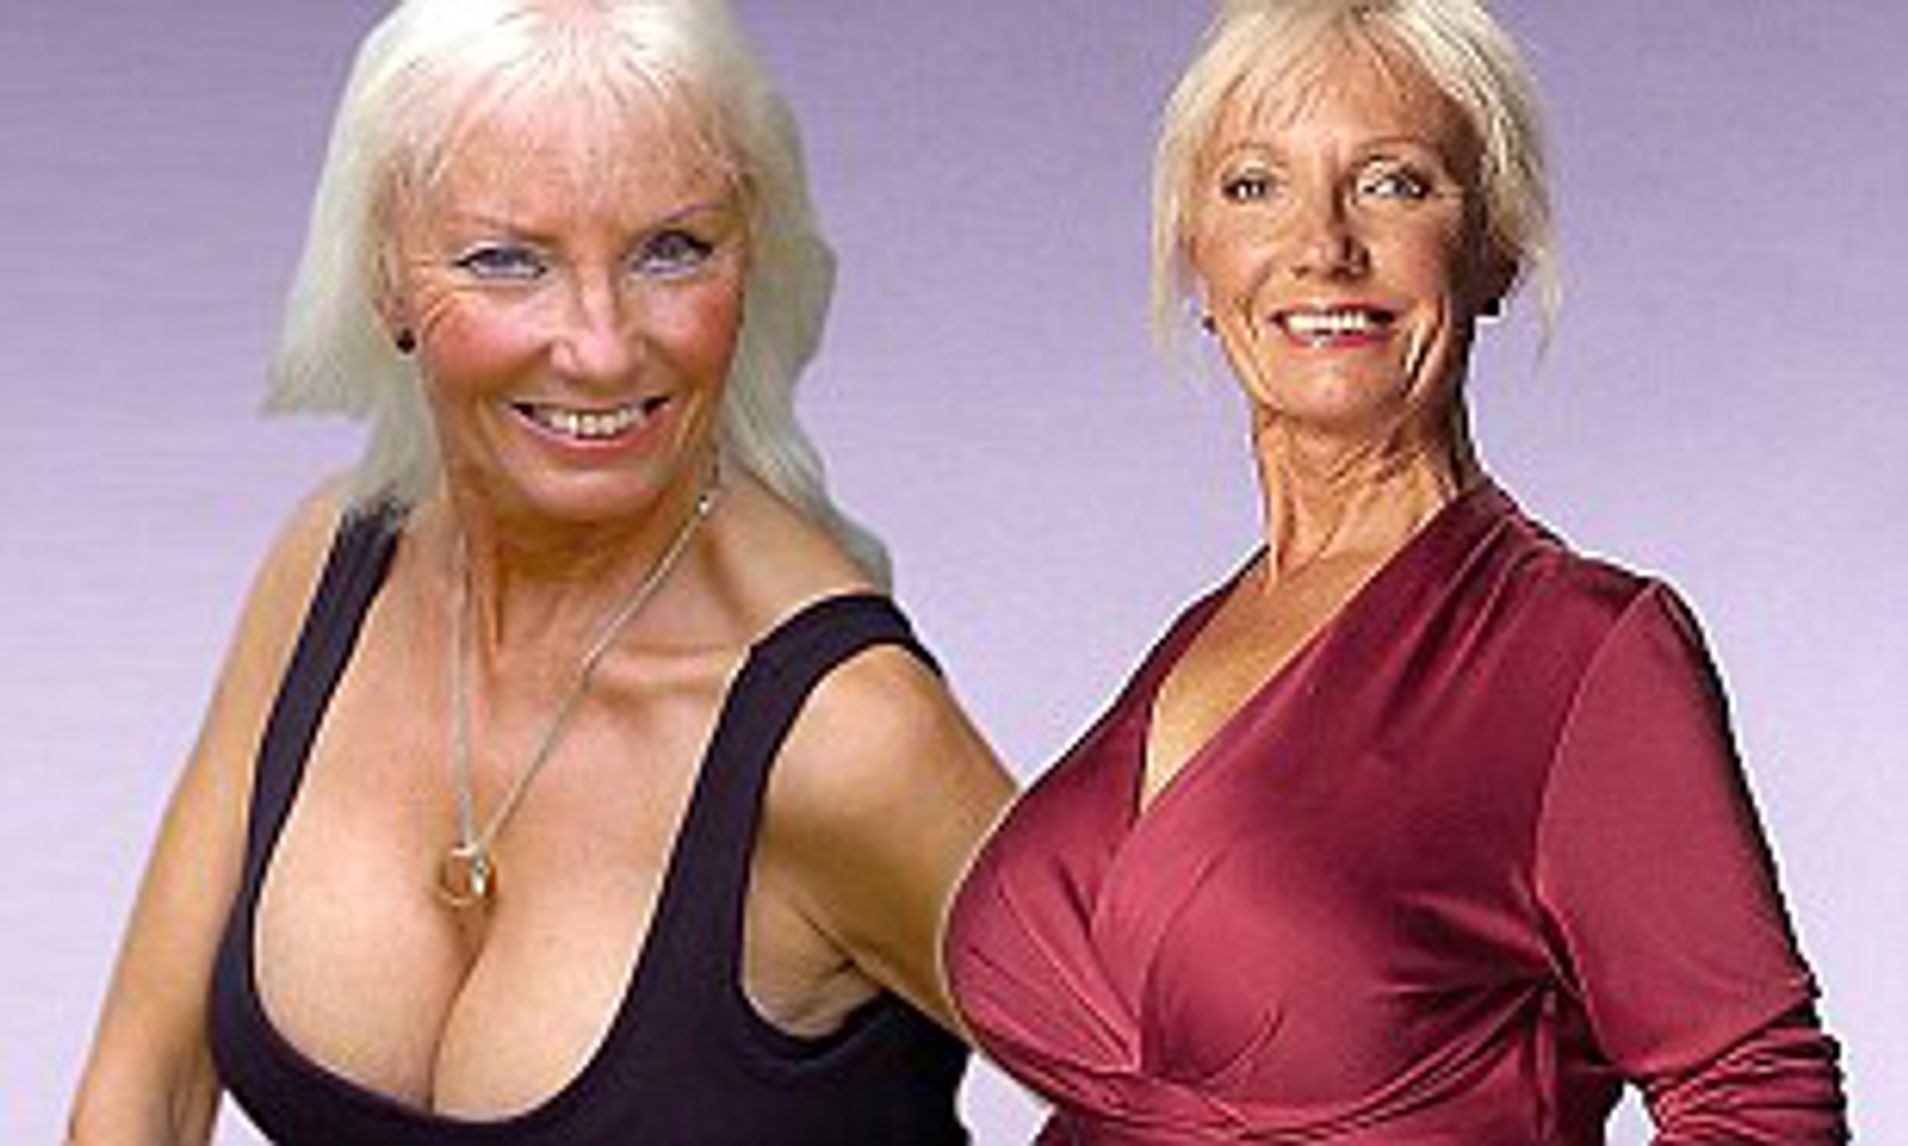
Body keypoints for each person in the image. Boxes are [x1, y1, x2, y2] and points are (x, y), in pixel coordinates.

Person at [68, 1, 1013, 1142]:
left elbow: (1181, 1091)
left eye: (673, 250)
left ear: (750, 260)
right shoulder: (330, 570)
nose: (602, 347)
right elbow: (147, 1091)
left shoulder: (846, 736)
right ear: (388, 278)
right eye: (507, 261)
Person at [945, 1, 1847, 1141]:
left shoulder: (1581, 655)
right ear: (1197, 259)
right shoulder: (1206, 632)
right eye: (1254, 186)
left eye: (1394, 184)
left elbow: (1759, 1101)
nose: (1322, 246)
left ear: (1494, 249)